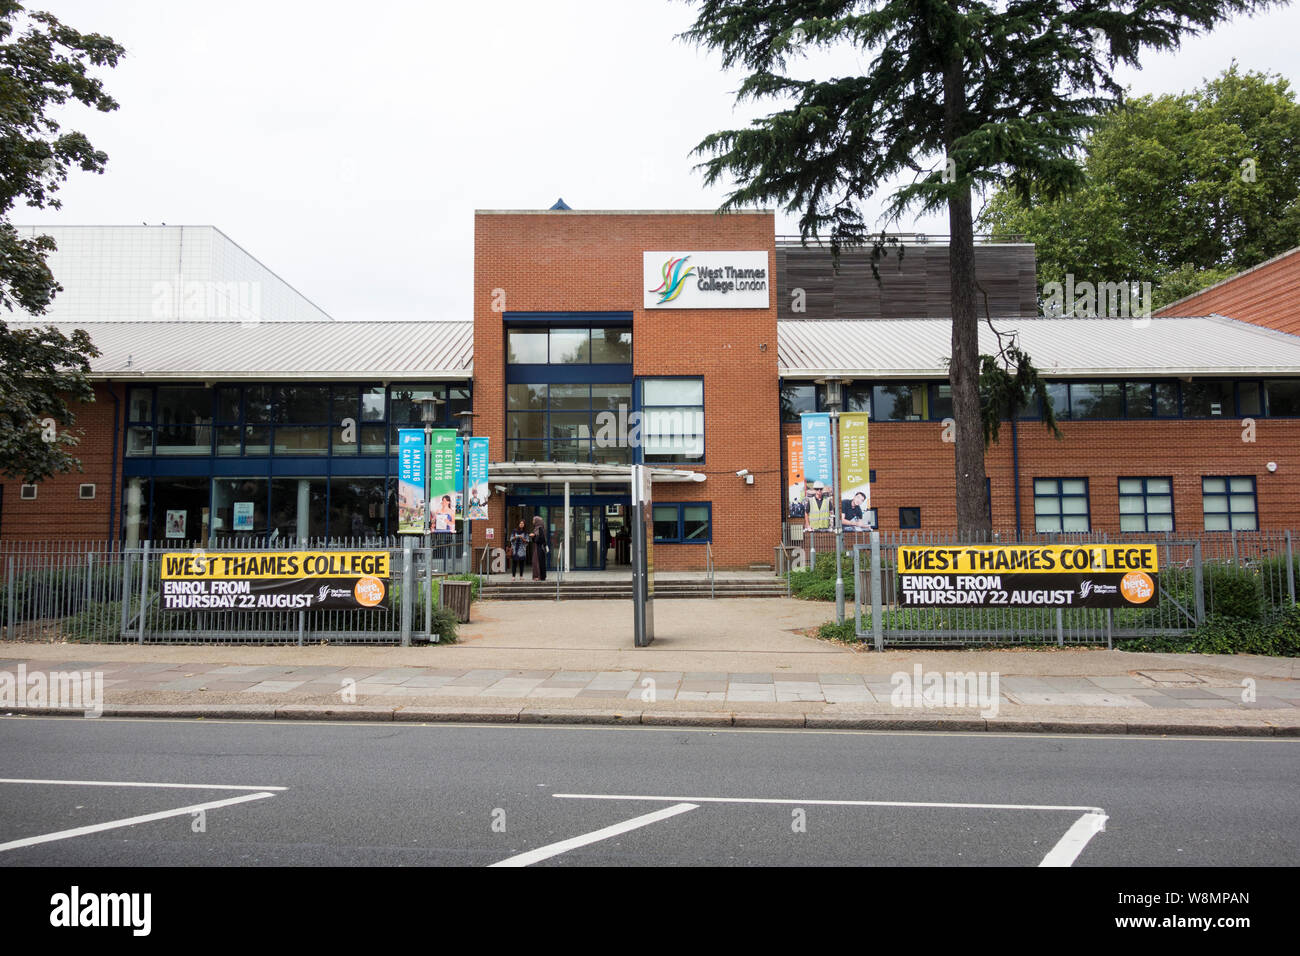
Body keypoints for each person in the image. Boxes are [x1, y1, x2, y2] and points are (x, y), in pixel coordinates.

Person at [531, 515, 549, 581]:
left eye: (534, 520)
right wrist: (533, 537)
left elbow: (541, 539)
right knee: (535, 562)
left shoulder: (540, 528)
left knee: (538, 562)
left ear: (537, 521)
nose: (532, 521)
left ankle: (540, 576)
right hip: (536, 548)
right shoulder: (536, 528)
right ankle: (537, 576)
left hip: (539, 548)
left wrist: (534, 536)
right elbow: (535, 540)